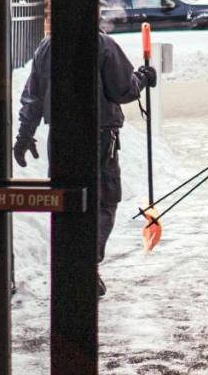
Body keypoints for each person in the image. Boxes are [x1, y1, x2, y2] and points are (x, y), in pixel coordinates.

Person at [13, 26, 156, 298]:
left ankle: (71, 265)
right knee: (104, 199)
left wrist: (24, 135)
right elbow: (123, 89)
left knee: (66, 200)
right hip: (99, 136)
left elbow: (33, 94)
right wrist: (143, 77)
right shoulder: (102, 44)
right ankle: (84, 265)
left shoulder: (47, 46)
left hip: (62, 135)